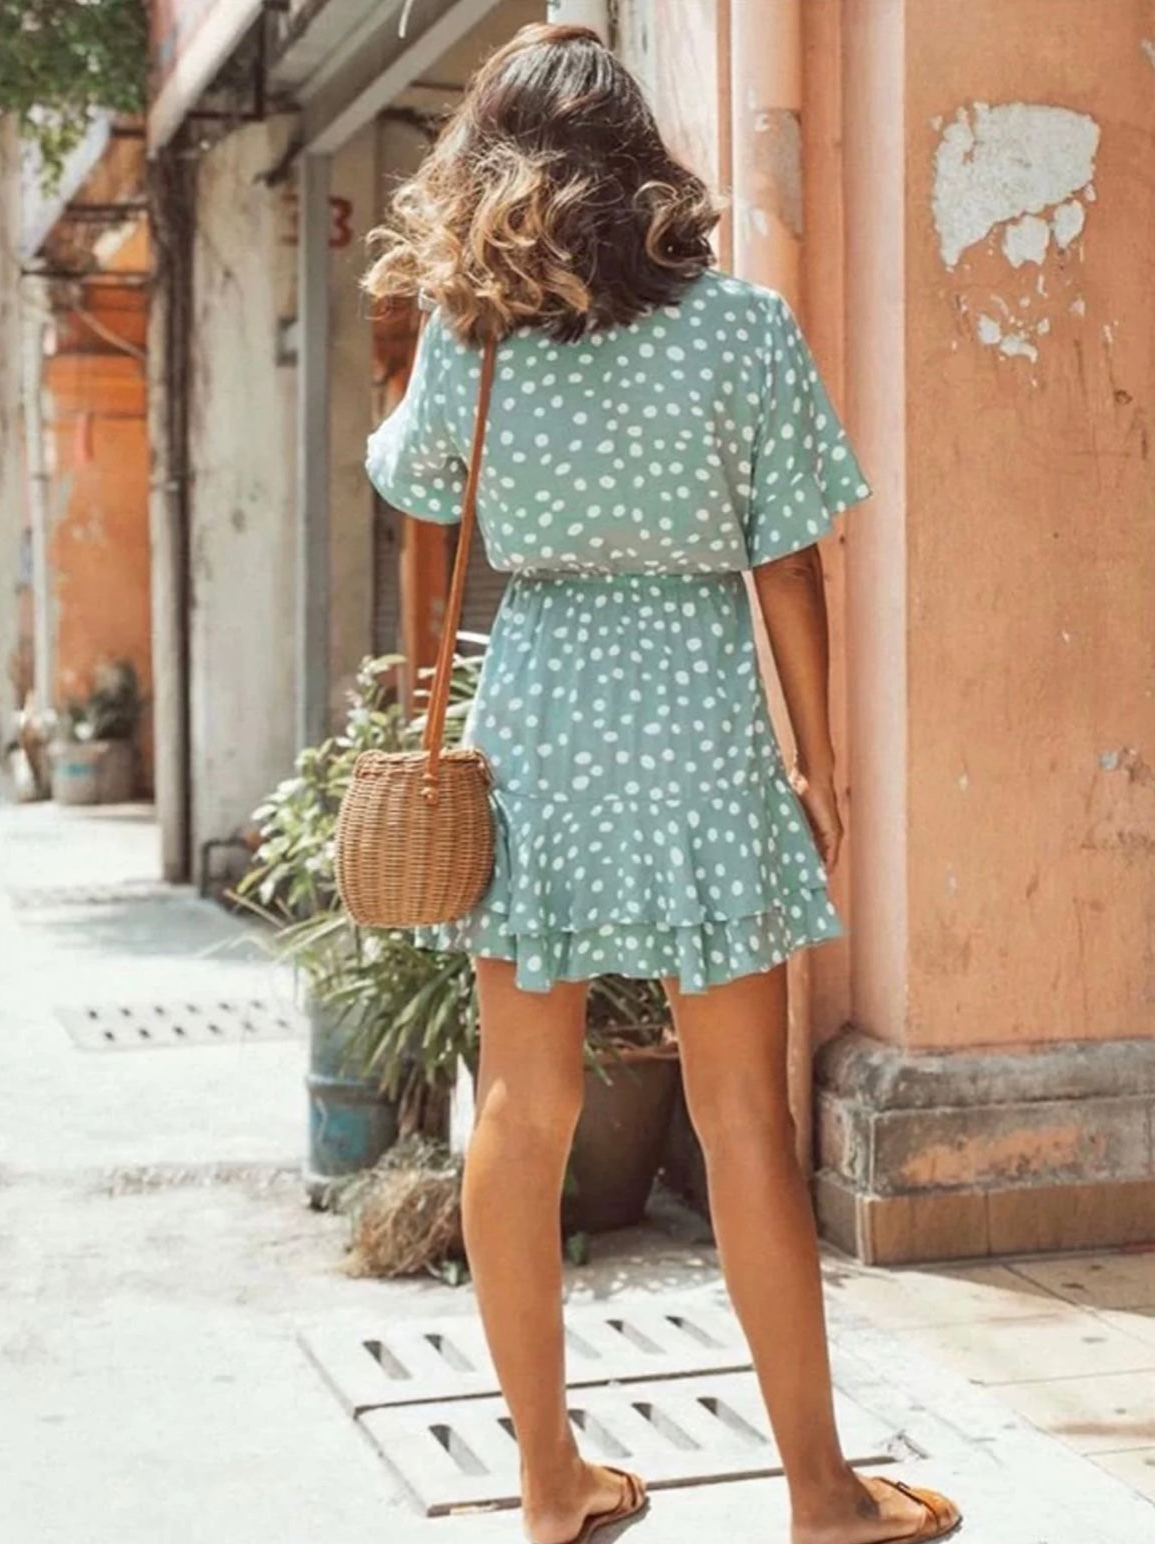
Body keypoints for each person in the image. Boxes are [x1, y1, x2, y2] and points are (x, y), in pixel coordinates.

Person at [362, 22, 961, 1544]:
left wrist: (428, 685)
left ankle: (548, 1482)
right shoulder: (737, 329)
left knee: (523, 1103)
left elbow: (420, 510)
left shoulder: (467, 331)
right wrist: (819, 764)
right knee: (744, 1119)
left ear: (496, 163)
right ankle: (820, 1494)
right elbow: (787, 559)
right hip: (697, 714)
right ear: (643, 161)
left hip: (546, 706)